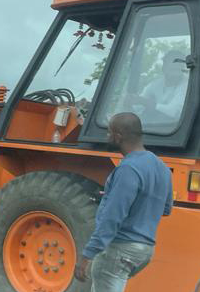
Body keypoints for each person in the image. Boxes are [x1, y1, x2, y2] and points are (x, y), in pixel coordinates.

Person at [74, 112, 173, 291]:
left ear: (118, 136)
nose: (107, 136)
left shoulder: (128, 168)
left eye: (108, 132)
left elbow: (112, 217)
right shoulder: (163, 168)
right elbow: (165, 208)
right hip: (145, 249)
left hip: (121, 247)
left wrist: (87, 255)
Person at [125, 50, 188, 133]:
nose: (175, 68)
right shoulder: (155, 84)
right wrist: (132, 101)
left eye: (178, 66)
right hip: (151, 129)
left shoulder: (187, 85)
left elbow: (174, 112)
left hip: (175, 131)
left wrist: (148, 103)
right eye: (171, 65)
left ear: (182, 67)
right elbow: (139, 105)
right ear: (164, 67)